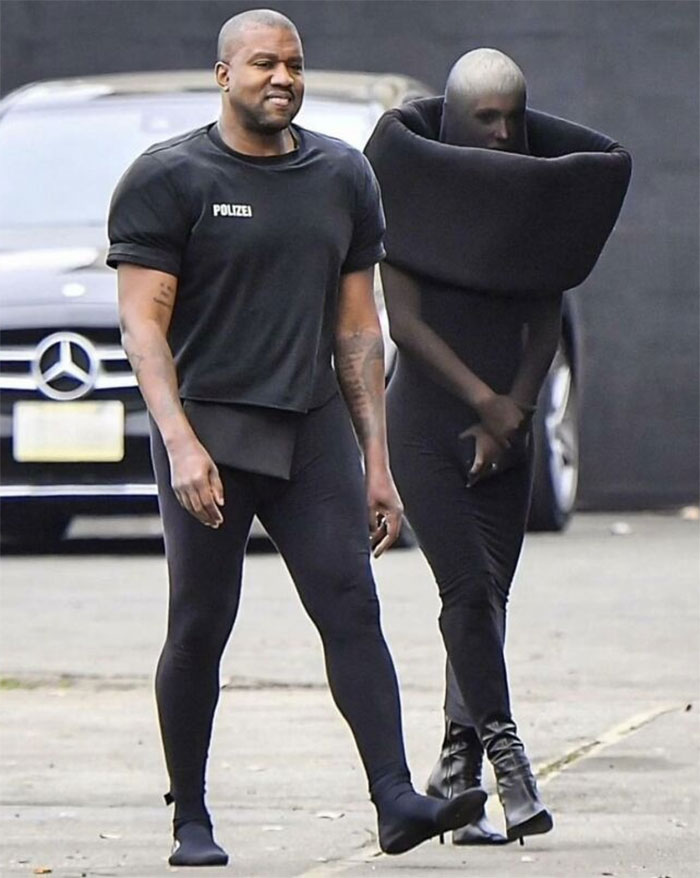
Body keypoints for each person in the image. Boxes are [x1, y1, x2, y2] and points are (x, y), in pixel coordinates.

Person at [107, 9, 485, 868]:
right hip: (207, 429)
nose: (282, 78)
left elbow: (358, 329)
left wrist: (377, 464)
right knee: (201, 623)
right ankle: (191, 817)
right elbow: (143, 329)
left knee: (353, 605)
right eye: (263, 64)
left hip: (310, 428)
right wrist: (181, 444)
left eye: (295, 64)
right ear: (224, 75)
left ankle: (395, 798)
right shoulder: (167, 178)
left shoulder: (342, 175)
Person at [365, 48, 631, 846]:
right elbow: (406, 325)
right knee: (468, 592)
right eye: (486, 118)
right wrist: (485, 404)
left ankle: (456, 770)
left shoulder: (530, 205)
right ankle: (510, 761)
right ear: (452, 117)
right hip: (426, 424)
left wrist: (514, 411)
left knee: (490, 602)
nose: (503, 133)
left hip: (506, 431)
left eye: (512, 118)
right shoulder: (407, 190)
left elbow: (545, 317)